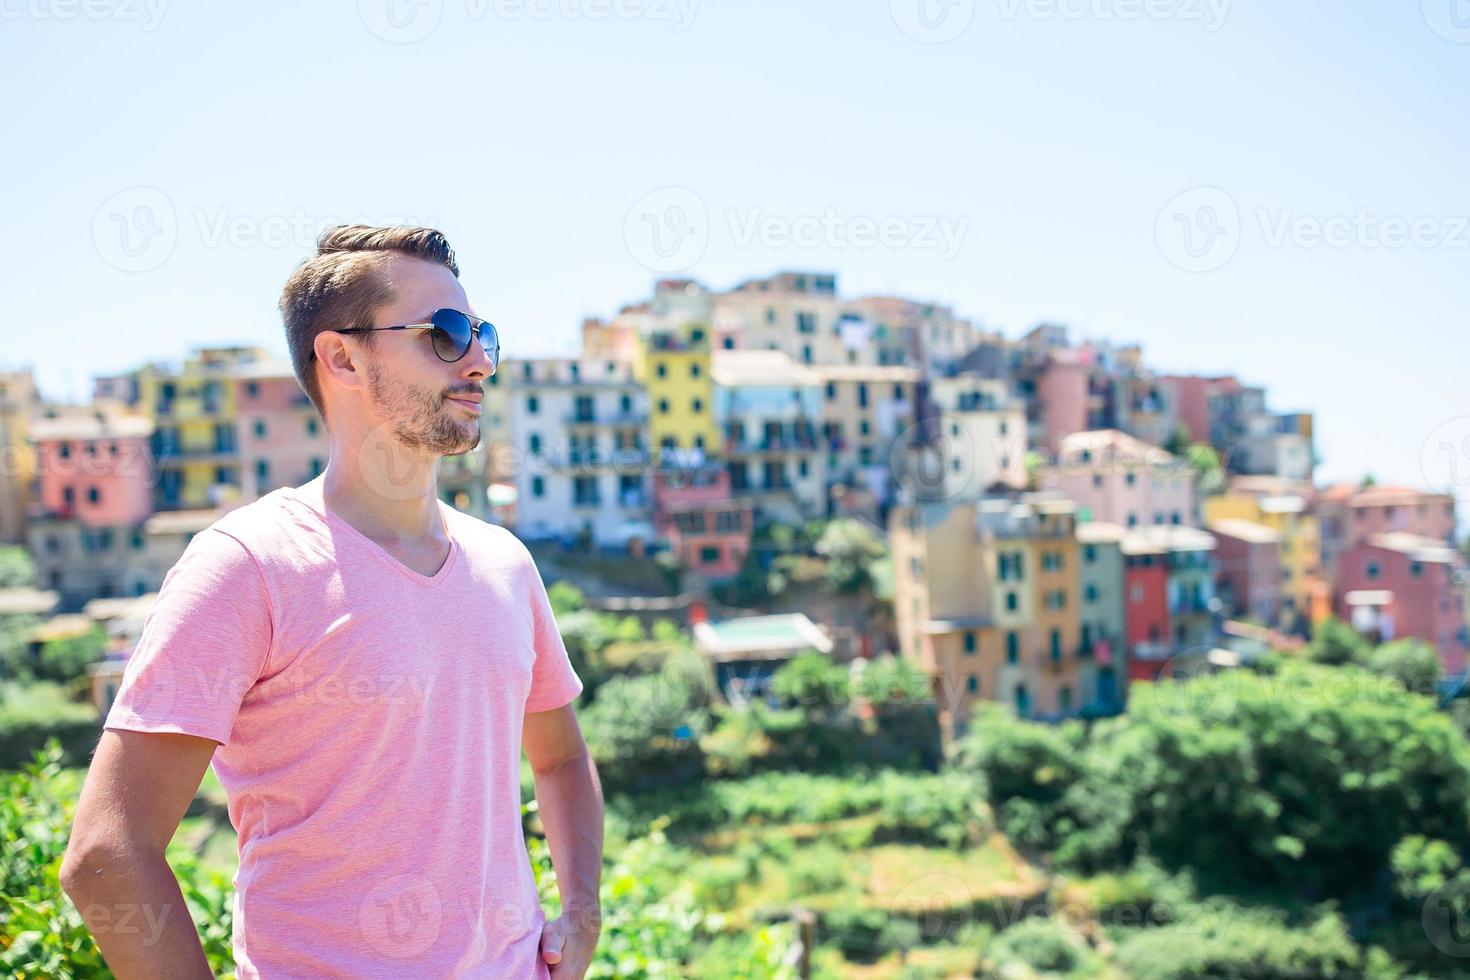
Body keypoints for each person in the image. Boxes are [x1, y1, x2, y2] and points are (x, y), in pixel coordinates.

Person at [61, 225, 603, 978]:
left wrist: (580, 914)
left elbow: (563, 758)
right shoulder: (248, 566)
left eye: (482, 333)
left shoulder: (504, 563)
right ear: (341, 355)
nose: (479, 360)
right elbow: (107, 855)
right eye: (445, 334)